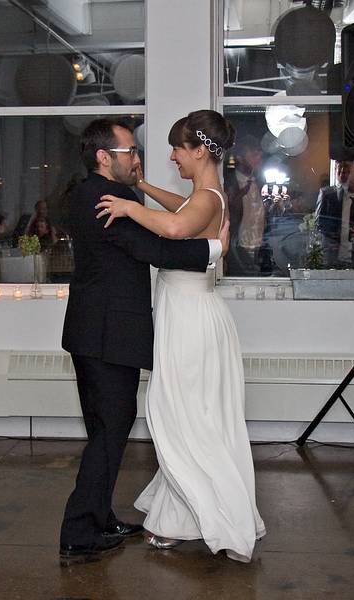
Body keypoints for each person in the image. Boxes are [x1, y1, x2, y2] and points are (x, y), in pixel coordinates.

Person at [95, 109, 265, 563]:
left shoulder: (209, 197)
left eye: (177, 148)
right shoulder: (205, 195)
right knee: (188, 414)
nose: (172, 156)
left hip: (190, 317)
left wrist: (129, 206)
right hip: (185, 311)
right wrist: (143, 188)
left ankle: (209, 515)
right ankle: (183, 516)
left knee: (184, 415)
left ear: (199, 150)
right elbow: (181, 210)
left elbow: (174, 228)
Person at [60, 118, 229, 566]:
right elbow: (155, 249)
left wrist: (146, 197)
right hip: (104, 333)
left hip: (106, 330)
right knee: (108, 429)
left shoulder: (112, 195)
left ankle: (98, 518)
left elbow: (173, 220)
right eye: (129, 151)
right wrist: (212, 250)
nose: (136, 158)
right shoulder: (100, 198)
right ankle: (79, 531)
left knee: (109, 428)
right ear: (103, 157)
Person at [315, 158, 354, 267]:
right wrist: (333, 237)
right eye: (341, 171)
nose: (344, 175)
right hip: (333, 261)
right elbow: (319, 225)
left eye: (349, 171)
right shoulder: (328, 195)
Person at [224, 135, 269, 276]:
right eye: (254, 153)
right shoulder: (230, 183)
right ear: (240, 158)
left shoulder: (258, 180)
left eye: (260, 153)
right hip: (239, 246)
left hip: (259, 244)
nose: (259, 156)